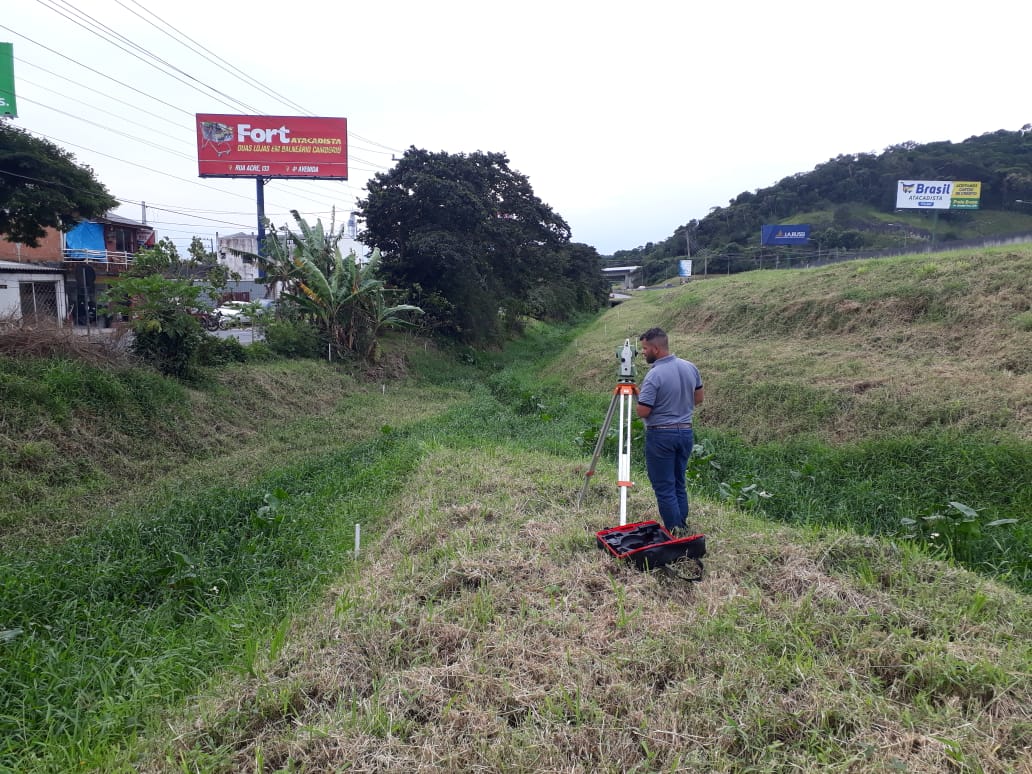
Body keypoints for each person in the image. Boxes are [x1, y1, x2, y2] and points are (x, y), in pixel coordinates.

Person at [635, 327, 704, 534]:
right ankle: (681, 525)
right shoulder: (690, 367)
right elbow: (698, 399)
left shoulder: (654, 374)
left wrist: (640, 397)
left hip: (661, 436)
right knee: (678, 483)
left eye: (645, 348)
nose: (643, 353)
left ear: (656, 348)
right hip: (685, 433)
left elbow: (643, 411)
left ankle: (675, 532)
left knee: (664, 487)